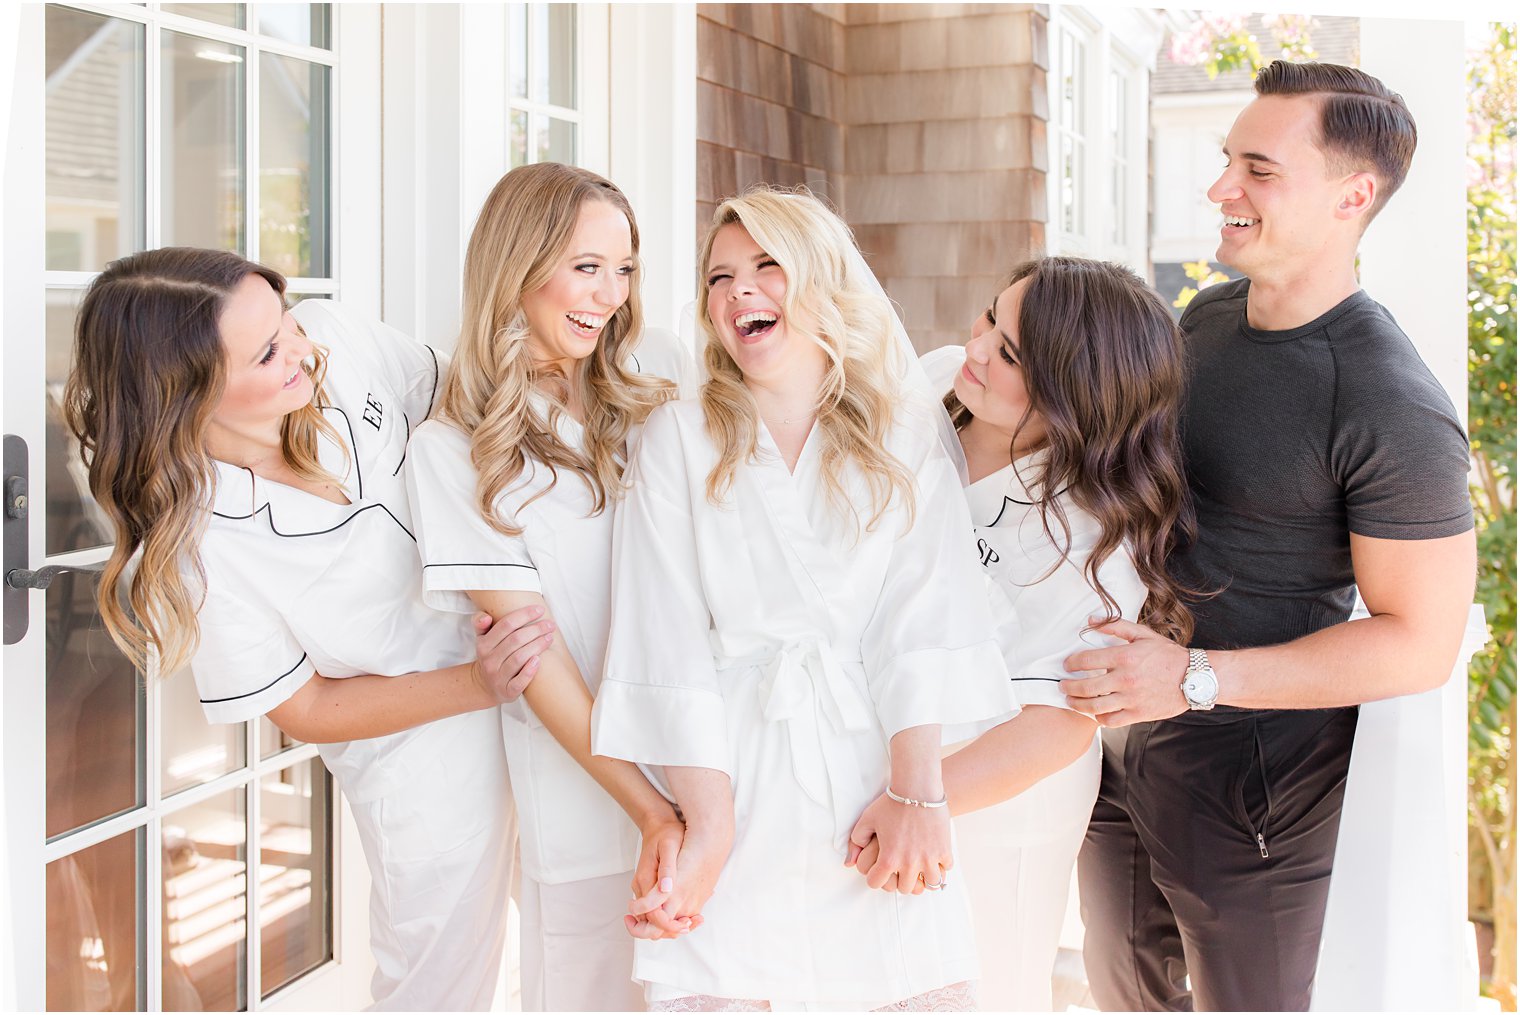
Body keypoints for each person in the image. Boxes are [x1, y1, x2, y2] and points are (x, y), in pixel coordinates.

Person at [1061, 61, 1476, 1011]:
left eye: (1258, 168)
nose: (1220, 189)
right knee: (1122, 992)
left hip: (1257, 789)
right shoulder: (1206, 317)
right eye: (1225, 162)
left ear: (1352, 195)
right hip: (1128, 744)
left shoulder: (1390, 402)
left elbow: (1422, 641)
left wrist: (1195, 677)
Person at [62, 247, 546, 1011]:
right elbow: (307, 707)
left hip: (545, 672)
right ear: (183, 395)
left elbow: (468, 402)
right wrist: (476, 682)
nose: (302, 349)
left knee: (590, 918)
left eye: (284, 323)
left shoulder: (334, 340)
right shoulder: (201, 549)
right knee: (439, 990)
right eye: (266, 352)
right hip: (421, 757)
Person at [589, 188, 1020, 1011]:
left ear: (820, 279)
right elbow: (666, 637)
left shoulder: (899, 431)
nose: (737, 291)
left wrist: (916, 793)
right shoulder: (677, 438)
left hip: (874, 776)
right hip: (733, 773)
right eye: (719, 277)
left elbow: (920, 620)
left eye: (766, 267)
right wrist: (709, 830)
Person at [850, 257, 1196, 1011]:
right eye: (989, 319)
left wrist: (917, 805)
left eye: (1008, 353)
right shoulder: (940, 383)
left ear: (1075, 396)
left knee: (983, 984)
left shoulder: (1095, 535)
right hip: (889, 764)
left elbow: (1059, 725)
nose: (975, 348)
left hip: (998, 795)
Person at [403, 162, 699, 1011]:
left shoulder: (652, 390)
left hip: (706, 759)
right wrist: (649, 809)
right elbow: (536, 659)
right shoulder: (456, 451)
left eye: (625, 268)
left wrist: (687, 803)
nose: (608, 294)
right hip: (590, 793)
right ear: (517, 264)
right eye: (585, 266)